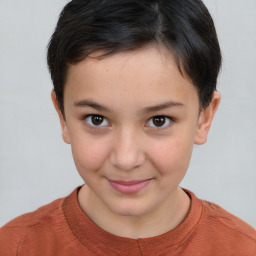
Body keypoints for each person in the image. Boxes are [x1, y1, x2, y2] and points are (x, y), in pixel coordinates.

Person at [0, 0, 255, 255]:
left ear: (204, 118)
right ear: (62, 116)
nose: (126, 158)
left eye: (159, 120)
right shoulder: (14, 247)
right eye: (96, 119)